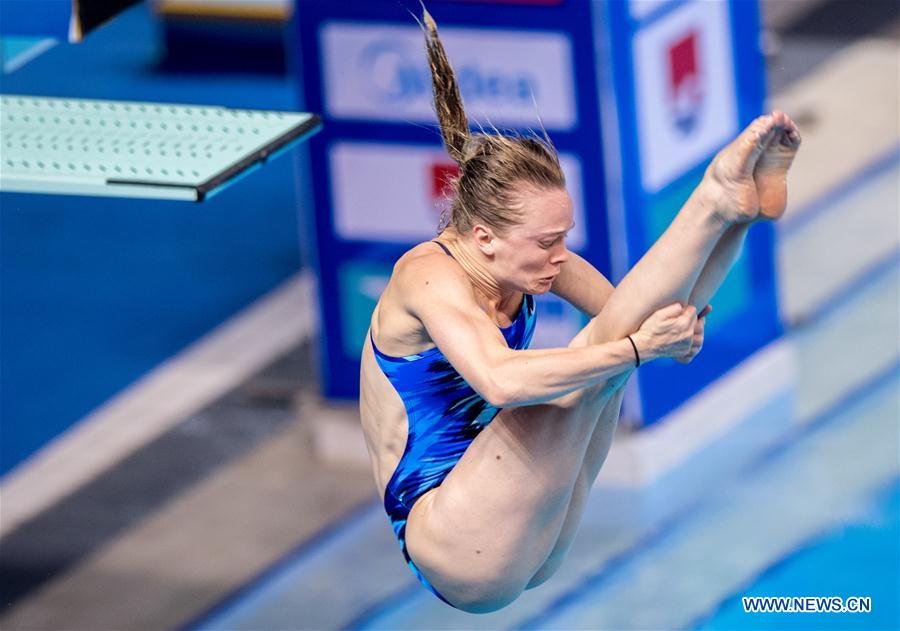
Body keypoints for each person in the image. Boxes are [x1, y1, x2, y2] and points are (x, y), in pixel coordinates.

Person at [359, 8, 801, 613]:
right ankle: (715, 197)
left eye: (564, 237)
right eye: (547, 243)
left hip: (519, 524)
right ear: (484, 236)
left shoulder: (528, 261)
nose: (560, 258)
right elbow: (501, 380)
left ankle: (735, 215)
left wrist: (671, 330)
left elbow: (635, 313)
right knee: (604, 354)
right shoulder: (429, 276)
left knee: (614, 344)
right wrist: (641, 350)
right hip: (451, 536)